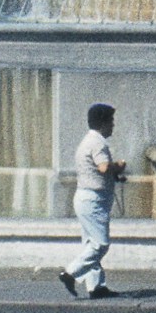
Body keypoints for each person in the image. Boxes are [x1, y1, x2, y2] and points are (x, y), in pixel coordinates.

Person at [60, 102, 124, 300]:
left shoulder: (88, 140)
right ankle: (70, 273)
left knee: (90, 243)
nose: (113, 125)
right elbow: (103, 167)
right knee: (100, 244)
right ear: (103, 123)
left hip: (85, 198)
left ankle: (96, 287)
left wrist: (113, 175)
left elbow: (96, 170)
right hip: (93, 200)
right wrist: (118, 166)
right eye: (111, 121)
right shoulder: (98, 143)